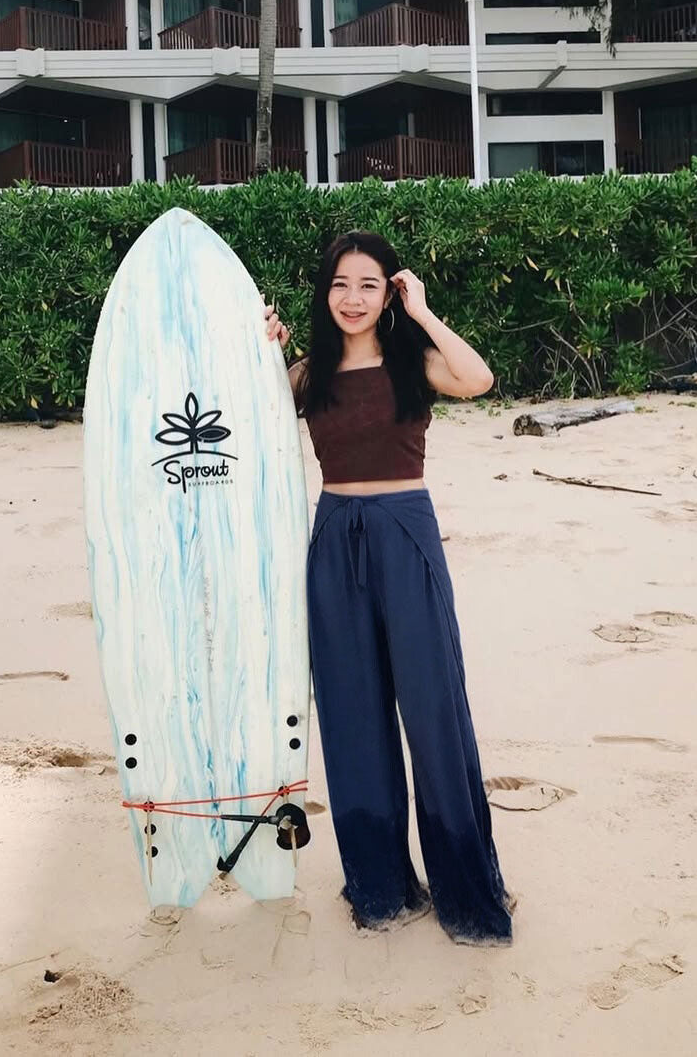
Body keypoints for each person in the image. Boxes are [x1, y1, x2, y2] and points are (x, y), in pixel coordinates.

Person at [264, 230, 514, 947]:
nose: (352, 298)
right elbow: (250, 426)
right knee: (352, 714)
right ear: (325, 292)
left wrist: (426, 311)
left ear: (389, 293)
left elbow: (479, 378)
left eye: (368, 285)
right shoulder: (307, 374)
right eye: (340, 284)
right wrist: (263, 352)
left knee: (434, 709)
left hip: (406, 531)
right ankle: (380, 888)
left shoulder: (414, 361)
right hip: (334, 535)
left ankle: (468, 885)